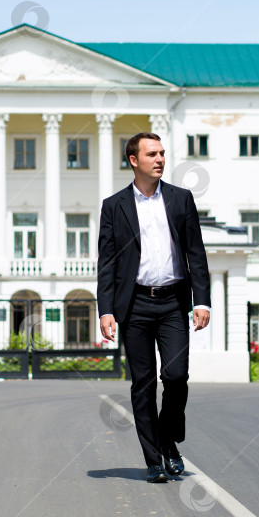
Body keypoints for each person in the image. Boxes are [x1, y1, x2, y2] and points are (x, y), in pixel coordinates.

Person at [97, 132, 211, 483]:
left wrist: (201, 299)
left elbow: (196, 253)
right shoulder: (114, 206)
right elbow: (107, 264)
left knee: (176, 378)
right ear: (134, 160)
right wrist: (106, 310)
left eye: (162, 153)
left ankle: (168, 440)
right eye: (152, 154)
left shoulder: (181, 199)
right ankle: (153, 459)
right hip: (136, 306)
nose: (160, 159)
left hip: (174, 302)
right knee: (143, 385)